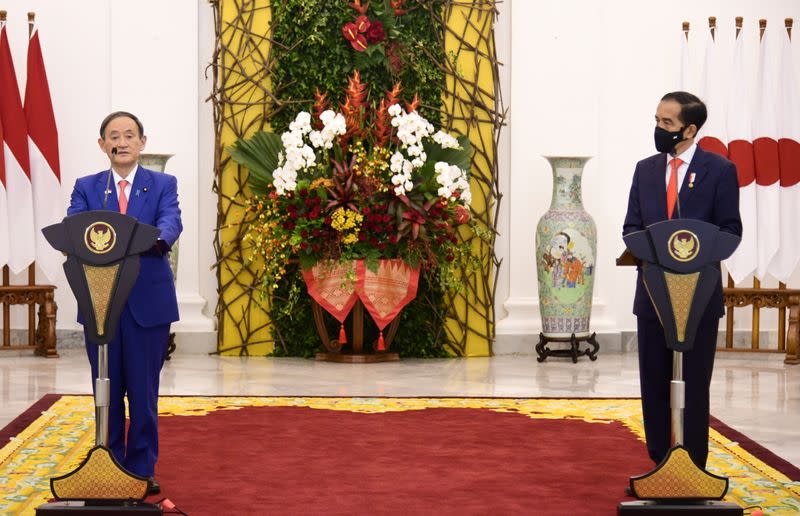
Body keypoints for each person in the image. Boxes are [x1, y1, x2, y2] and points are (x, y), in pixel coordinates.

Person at [622, 92, 742, 471]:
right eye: (657, 120)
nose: (659, 129)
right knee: (654, 383)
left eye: (667, 124)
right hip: (653, 298)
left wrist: (687, 253)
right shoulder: (644, 170)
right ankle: (661, 463)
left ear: (690, 129)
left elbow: (730, 232)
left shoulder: (719, 170)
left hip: (699, 298)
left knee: (694, 384)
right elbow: (631, 229)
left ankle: (693, 467)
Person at [67, 111, 182, 495]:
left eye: (129, 135)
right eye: (114, 136)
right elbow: (74, 226)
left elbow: (170, 222)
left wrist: (152, 239)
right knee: (107, 388)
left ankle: (141, 468)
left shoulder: (162, 183)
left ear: (142, 143)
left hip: (147, 302)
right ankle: (109, 461)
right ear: (103, 145)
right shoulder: (87, 186)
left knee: (143, 392)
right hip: (100, 302)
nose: (122, 141)